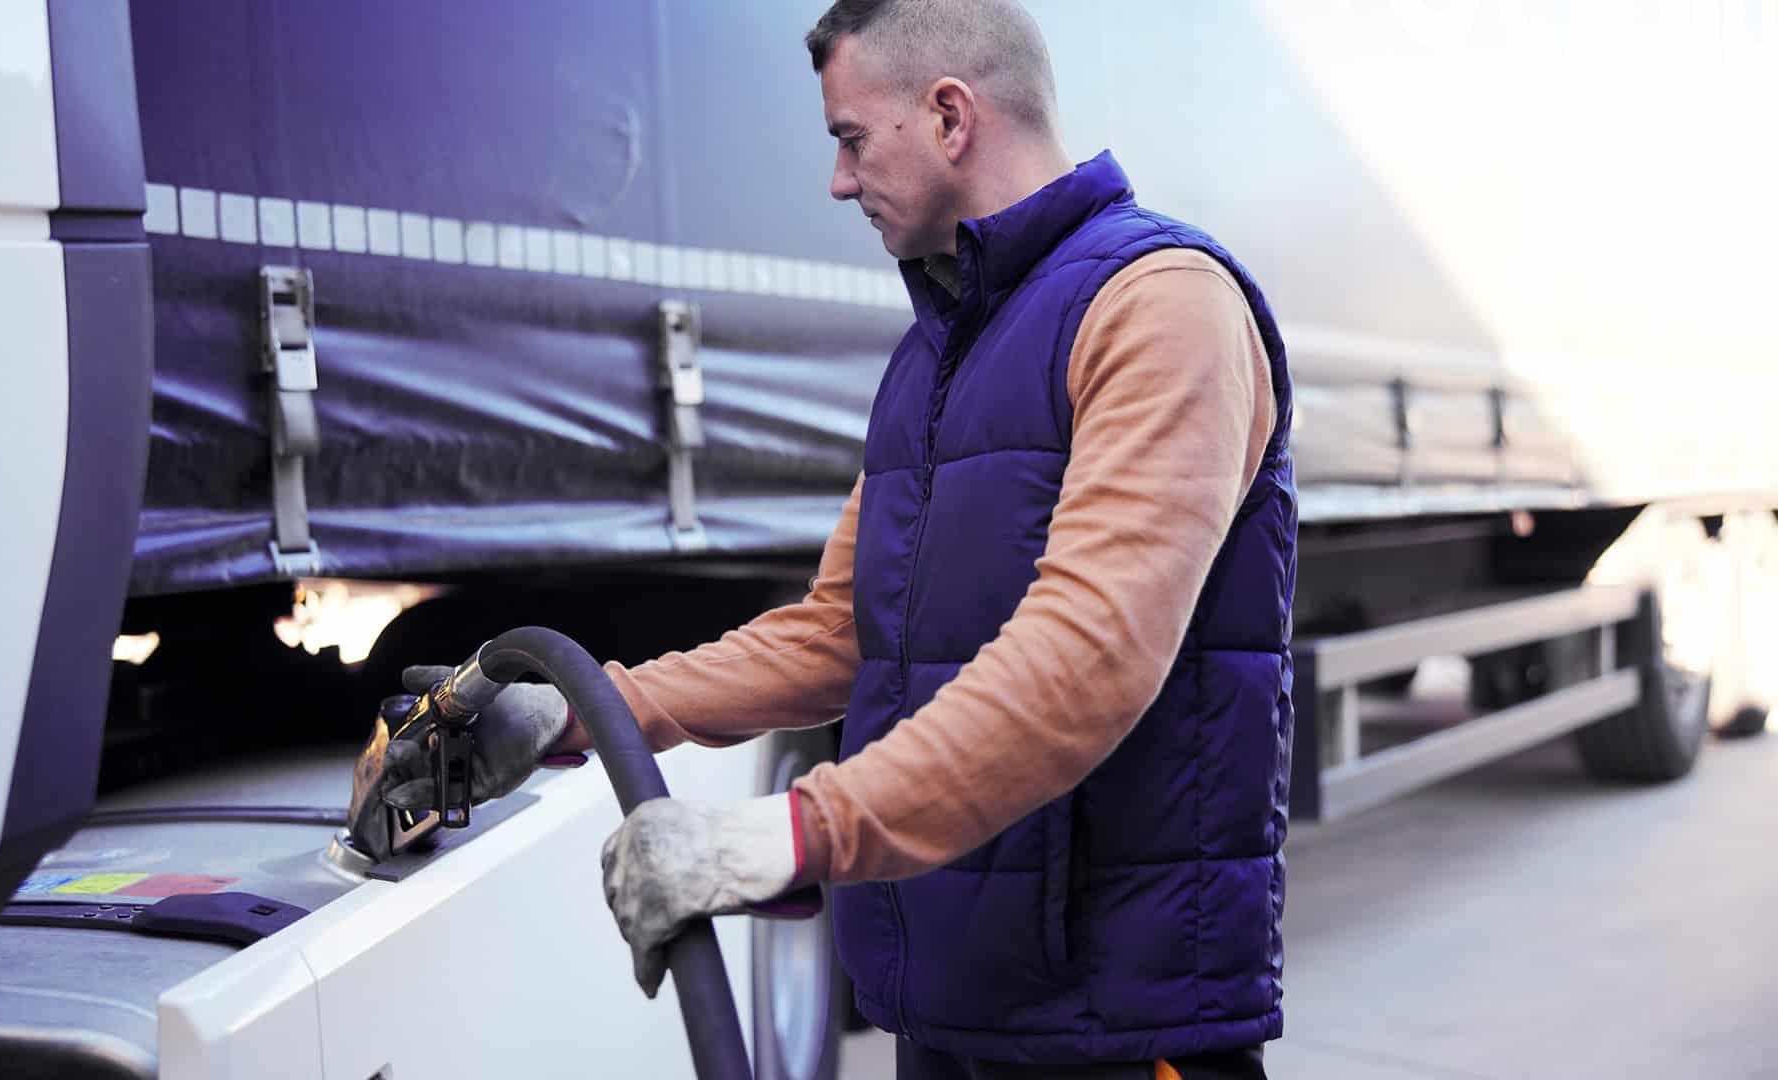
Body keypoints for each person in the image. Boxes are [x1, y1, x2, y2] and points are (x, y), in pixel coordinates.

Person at [365, 1, 1295, 1075]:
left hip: (1121, 1022)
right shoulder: (941, 351)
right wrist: (594, 709)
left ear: (950, 116)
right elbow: (840, 636)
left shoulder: (1162, 304)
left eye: (851, 139)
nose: (839, 182)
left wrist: (791, 834)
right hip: (955, 1001)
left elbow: (1090, 657)